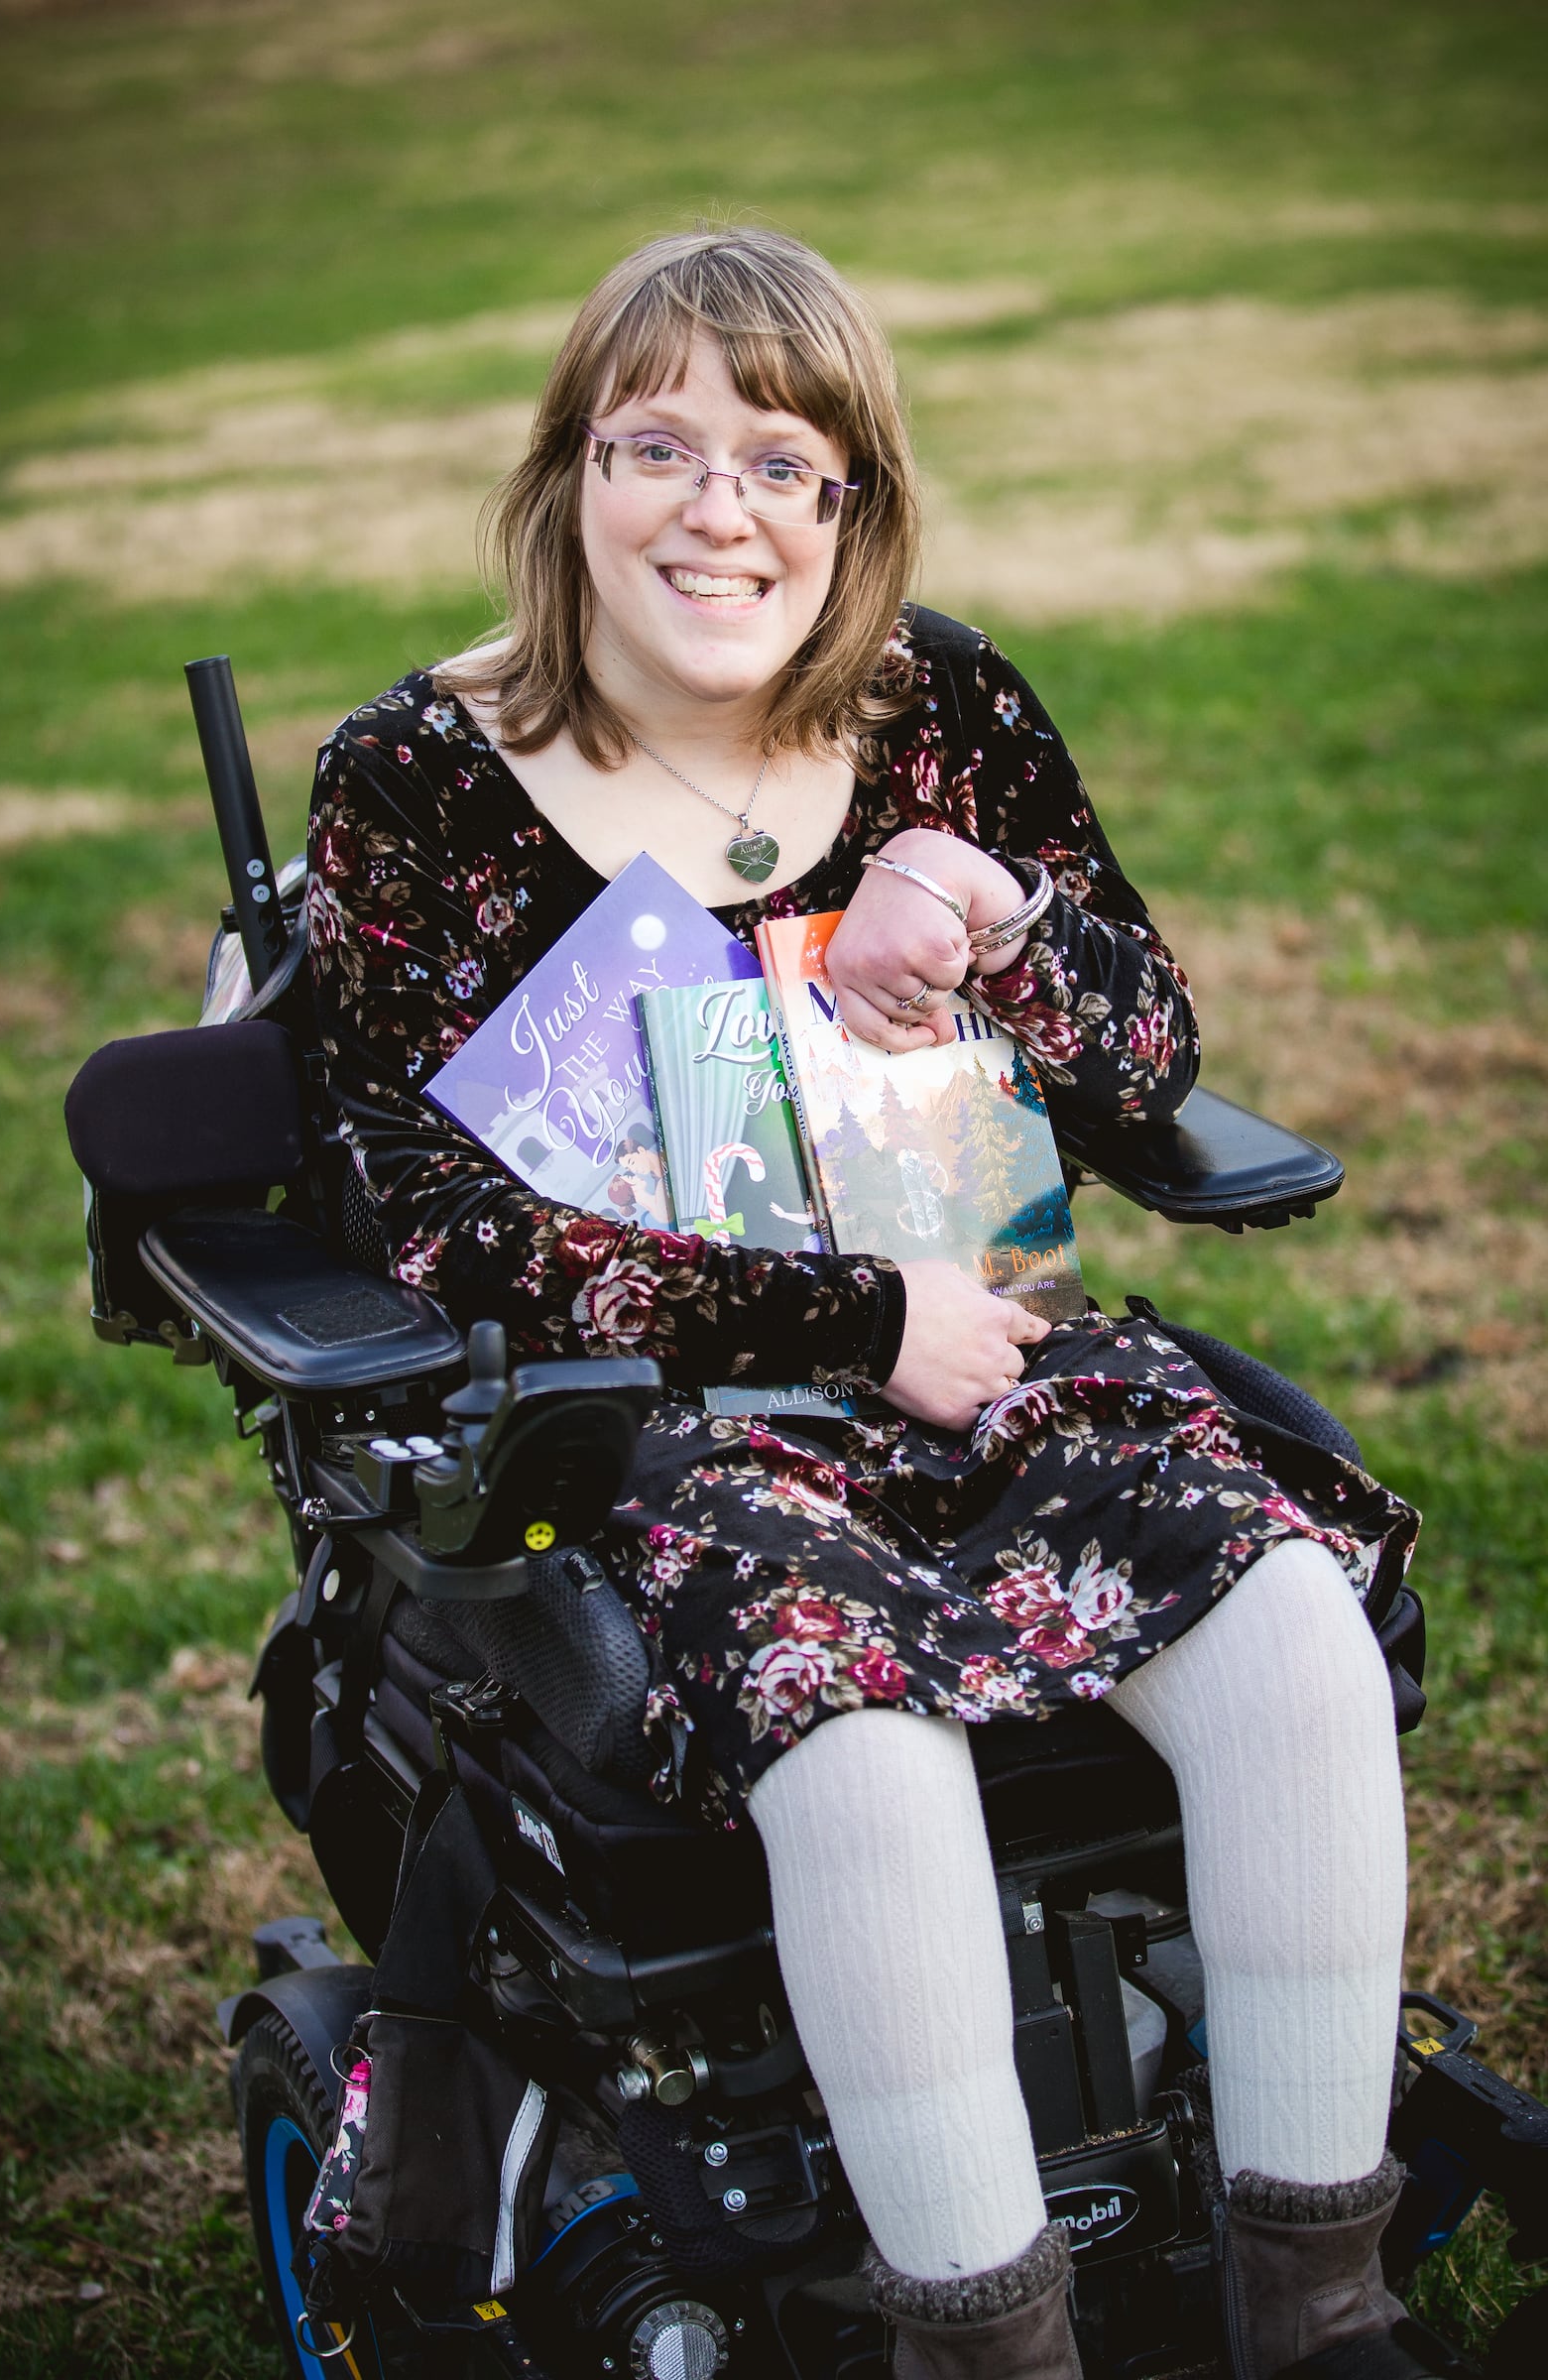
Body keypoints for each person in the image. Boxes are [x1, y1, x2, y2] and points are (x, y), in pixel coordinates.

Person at [308, 228, 1425, 2380]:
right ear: (567, 482)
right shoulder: (423, 780)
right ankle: (985, 2340)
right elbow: (414, 1207)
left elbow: (1141, 1057)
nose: (715, 509)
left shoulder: (942, 708)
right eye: (656, 446)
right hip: (640, 1426)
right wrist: (835, 1326)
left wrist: (991, 904)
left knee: (1282, 1623)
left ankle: (1319, 2303)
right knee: (862, 1741)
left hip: (998, 1350)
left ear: (852, 509)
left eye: (781, 463)